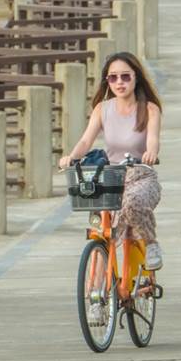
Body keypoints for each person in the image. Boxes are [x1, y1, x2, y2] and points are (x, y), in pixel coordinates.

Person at [59, 51, 164, 269]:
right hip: (111, 179)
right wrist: (72, 157)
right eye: (113, 77)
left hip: (141, 176)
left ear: (136, 77)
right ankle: (99, 290)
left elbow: (153, 140)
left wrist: (151, 153)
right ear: (107, 81)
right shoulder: (102, 109)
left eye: (125, 76)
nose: (119, 82)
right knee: (103, 231)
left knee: (132, 203)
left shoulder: (150, 110)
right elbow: (86, 141)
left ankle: (151, 243)